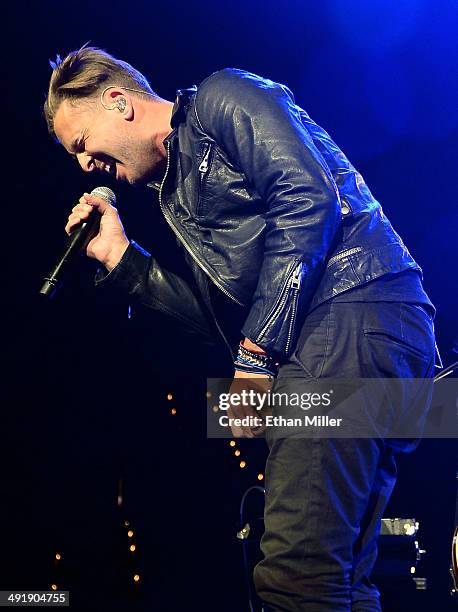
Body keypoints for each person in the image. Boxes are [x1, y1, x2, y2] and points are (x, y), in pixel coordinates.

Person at [44, 45, 437, 611]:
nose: (83, 166)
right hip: (348, 334)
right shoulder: (175, 197)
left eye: (80, 144)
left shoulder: (221, 98)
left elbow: (308, 199)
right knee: (336, 577)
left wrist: (254, 361)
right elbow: (220, 325)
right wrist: (125, 262)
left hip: (359, 307)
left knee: (296, 575)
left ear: (116, 102)